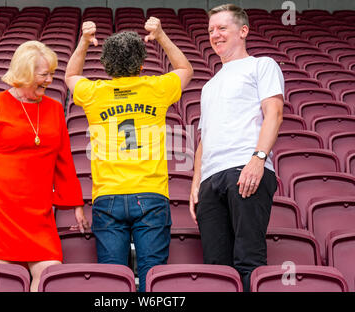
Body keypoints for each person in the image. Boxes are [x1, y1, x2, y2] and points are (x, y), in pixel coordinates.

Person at [65, 18, 193, 291]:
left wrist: (84, 42)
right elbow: (185, 68)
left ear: (106, 65)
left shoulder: (94, 92)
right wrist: (159, 35)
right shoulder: (156, 88)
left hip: (108, 195)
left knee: (113, 277)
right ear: (141, 64)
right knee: (152, 275)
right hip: (150, 193)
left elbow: (70, 76)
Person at [0, 40, 89, 292]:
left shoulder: (54, 108)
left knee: (50, 272)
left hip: (38, 211)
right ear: (25, 73)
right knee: (1, 277)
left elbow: (63, 159)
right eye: (44, 74)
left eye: (52, 73)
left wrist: (75, 205)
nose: (50, 80)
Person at [189, 4, 284, 292]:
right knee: (217, 267)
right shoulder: (209, 86)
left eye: (221, 28)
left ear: (243, 31)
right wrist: (196, 184)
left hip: (245, 169)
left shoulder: (262, 65)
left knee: (248, 259)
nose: (214, 35)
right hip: (211, 180)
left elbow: (274, 113)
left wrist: (257, 159)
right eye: (210, 30)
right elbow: (205, 138)